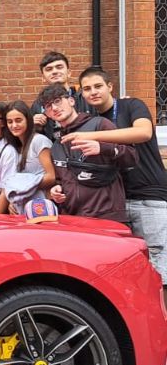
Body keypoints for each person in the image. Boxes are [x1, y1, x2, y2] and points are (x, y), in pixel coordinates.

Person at [71, 68, 166, 280]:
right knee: (129, 269)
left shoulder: (131, 105)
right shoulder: (91, 121)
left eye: (98, 86)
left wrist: (93, 136)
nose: (93, 92)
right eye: (87, 89)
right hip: (116, 202)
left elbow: (143, 132)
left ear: (110, 87)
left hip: (149, 196)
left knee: (159, 266)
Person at [39, 83, 136, 223]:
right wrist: (57, 189)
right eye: (48, 106)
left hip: (106, 216)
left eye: (58, 101)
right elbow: (63, 180)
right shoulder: (56, 146)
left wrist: (102, 148)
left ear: (71, 101)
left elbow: (132, 157)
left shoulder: (99, 125)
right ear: (47, 114)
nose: (54, 108)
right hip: (73, 219)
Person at [0, 101, 57, 214]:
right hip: (22, 207)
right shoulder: (16, 146)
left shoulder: (39, 141)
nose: (14, 125)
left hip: (41, 207)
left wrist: (19, 187)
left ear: (28, 120)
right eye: (10, 122)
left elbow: (51, 176)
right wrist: (13, 200)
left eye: (18, 120)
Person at [30, 51, 92, 141]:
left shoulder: (85, 97)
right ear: (43, 78)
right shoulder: (38, 105)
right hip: (55, 148)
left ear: (69, 72)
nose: (55, 71)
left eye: (59, 67)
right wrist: (33, 127)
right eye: (49, 69)